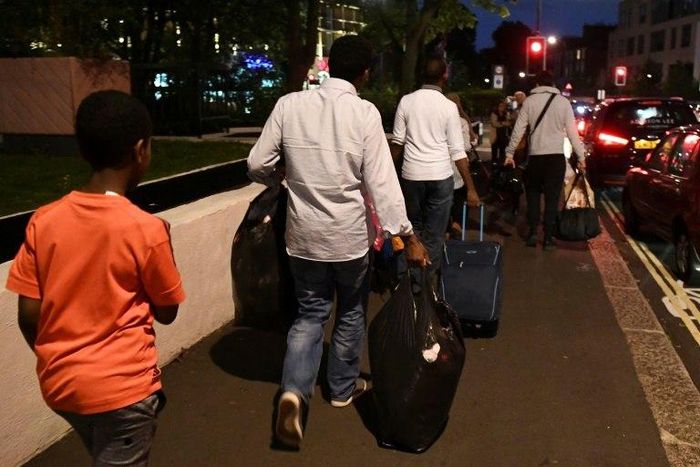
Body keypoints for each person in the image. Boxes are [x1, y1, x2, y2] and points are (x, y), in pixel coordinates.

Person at [247, 35, 430, 449]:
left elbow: (257, 163)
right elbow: (382, 184)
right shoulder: (364, 114)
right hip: (349, 240)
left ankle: (293, 391)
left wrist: (279, 179)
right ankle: (342, 389)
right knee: (349, 311)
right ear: (365, 73)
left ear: (327, 65)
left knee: (309, 314)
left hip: (303, 237)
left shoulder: (289, 106)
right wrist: (408, 237)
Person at [5, 90, 185, 465]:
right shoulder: (146, 229)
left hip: (60, 387)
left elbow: (28, 315)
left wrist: (66, 361)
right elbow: (167, 311)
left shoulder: (44, 220)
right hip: (123, 391)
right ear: (140, 150)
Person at [390, 57, 481, 275]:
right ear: (445, 76)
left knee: (411, 229)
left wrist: (386, 174)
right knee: (435, 235)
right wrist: (470, 188)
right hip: (440, 177)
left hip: (411, 175)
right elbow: (458, 153)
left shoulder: (406, 101)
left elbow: (397, 144)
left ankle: (405, 283)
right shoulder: (449, 107)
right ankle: (425, 287)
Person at [505, 70, 585, 250]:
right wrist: (580, 156)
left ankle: (533, 233)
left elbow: (518, 130)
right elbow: (573, 133)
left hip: (535, 158)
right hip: (555, 159)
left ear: (537, 84)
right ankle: (548, 238)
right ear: (553, 84)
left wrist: (509, 154)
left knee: (532, 196)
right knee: (552, 198)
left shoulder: (529, 102)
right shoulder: (563, 103)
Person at [445, 92, 478, 236]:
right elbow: (466, 145)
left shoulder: (438, 119)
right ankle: (457, 223)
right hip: (458, 165)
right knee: (459, 195)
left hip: (440, 165)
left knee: (442, 197)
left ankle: (445, 225)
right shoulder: (462, 121)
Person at [489, 99, 512, 173]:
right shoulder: (494, 113)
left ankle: (502, 166)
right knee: (494, 151)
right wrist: (503, 123)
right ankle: (494, 167)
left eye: (504, 106)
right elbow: (494, 123)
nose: (502, 107)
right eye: (501, 106)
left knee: (503, 151)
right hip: (495, 135)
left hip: (503, 135)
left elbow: (509, 123)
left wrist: (501, 123)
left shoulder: (506, 113)